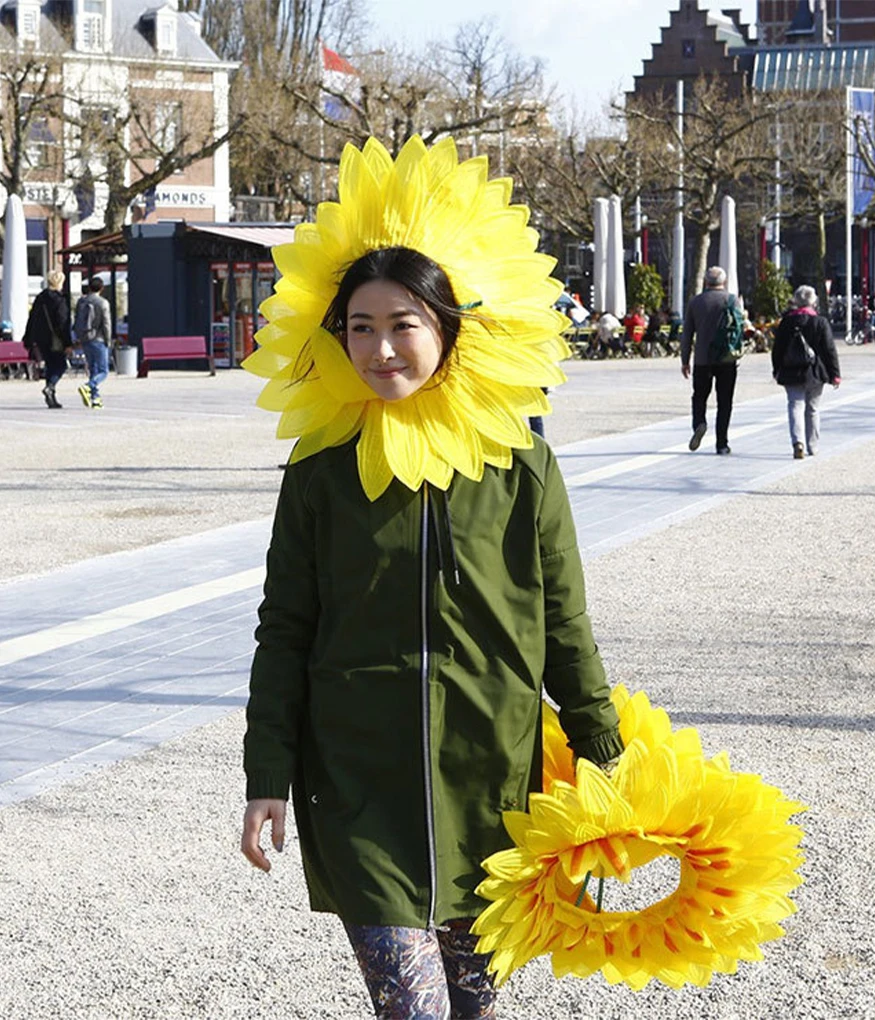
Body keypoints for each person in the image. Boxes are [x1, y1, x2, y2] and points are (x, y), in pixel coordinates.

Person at [240, 140, 624, 1020]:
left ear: (449, 325)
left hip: (490, 782)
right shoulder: (323, 468)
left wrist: (605, 754)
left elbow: (564, 618)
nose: (379, 349)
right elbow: (285, 627)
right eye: (359, 327)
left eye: (402, 324)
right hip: (356, 784)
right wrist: (269, 773)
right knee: (409, 1011)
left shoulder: (519, 462)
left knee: (476, 1008)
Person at [771, 285, 841, 459]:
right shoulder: (820, 322)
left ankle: (798, 442)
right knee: (813, 409)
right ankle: (812, 445)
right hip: (815, 371)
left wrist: (776, 369)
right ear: (813, 301)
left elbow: (777, 349)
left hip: (790, 371)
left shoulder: (786, 322)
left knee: (795, 405)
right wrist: (835, 374)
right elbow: (829, 349)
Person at [680, 266, 742, 455]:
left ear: (706, 282)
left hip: (702, 359)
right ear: (724, 282)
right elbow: (740, 328)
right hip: (726, 358)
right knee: (725, 401)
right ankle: (722, 444)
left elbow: (687, 334)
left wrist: (685, 360)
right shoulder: (732, 300)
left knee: (699, 396)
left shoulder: (695, 302)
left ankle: (700, 423)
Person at [23, 270, 72, 408]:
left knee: (51, 365)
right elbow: (63, 322)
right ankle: (50, 387)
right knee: (61, 365)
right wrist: (68, 343)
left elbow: (32, 318)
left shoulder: (40, 297)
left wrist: (28, 338)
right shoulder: (60, 299)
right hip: (55, 339)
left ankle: (51, 397)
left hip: (40, 338)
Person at [74, 276, 112, 409]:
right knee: (103, 371)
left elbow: (76, 320)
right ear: (101, 288)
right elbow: (106, 323)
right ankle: (88, 387)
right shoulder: (103, 303)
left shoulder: (81, 302)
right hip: (99, 339)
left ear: (89, 287)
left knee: (93, 368)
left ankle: (95, 398)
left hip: (85, 339)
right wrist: (108, 339)